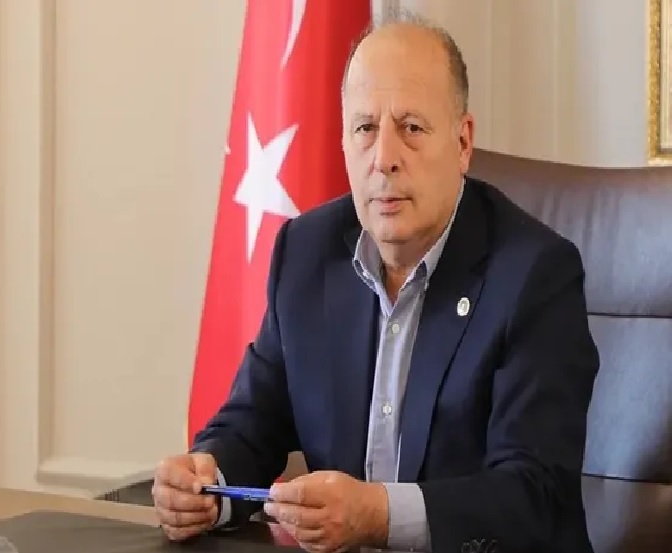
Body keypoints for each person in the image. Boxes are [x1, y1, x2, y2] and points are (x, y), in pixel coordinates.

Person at [152, 14, 599, 553]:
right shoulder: (307, 252)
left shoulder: (535, 275)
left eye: (411, 127)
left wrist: (378, 515)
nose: (384, 158)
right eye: (365, 128)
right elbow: (252, 422)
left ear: (462, 142)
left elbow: (532, 495)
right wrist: (207, 481)